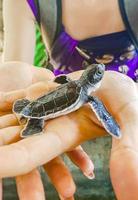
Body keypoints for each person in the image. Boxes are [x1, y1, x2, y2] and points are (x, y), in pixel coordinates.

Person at [0, 0, 138, 199]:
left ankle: (32, 118)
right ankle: (33, 123)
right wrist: (15, 77)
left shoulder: (83, 91)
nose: (101, 70)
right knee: (38, 115)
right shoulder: (87, 96)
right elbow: (24, 77)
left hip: (127, 104)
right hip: (55, 109)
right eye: (99, 72)